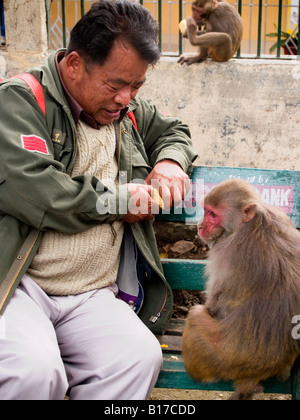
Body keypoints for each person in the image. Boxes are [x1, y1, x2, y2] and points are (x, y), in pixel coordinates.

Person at [0, 0, 197, 400]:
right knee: (34, 371)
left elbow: (174, 130)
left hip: (92, 293)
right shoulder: (19, 102)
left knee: (138, 357)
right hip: (20, 287)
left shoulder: (124, 108)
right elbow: (38, 191)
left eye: (137, 85)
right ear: (74, 65)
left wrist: (172, 161)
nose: (126, 97)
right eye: (115, 85)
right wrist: (116, 201)